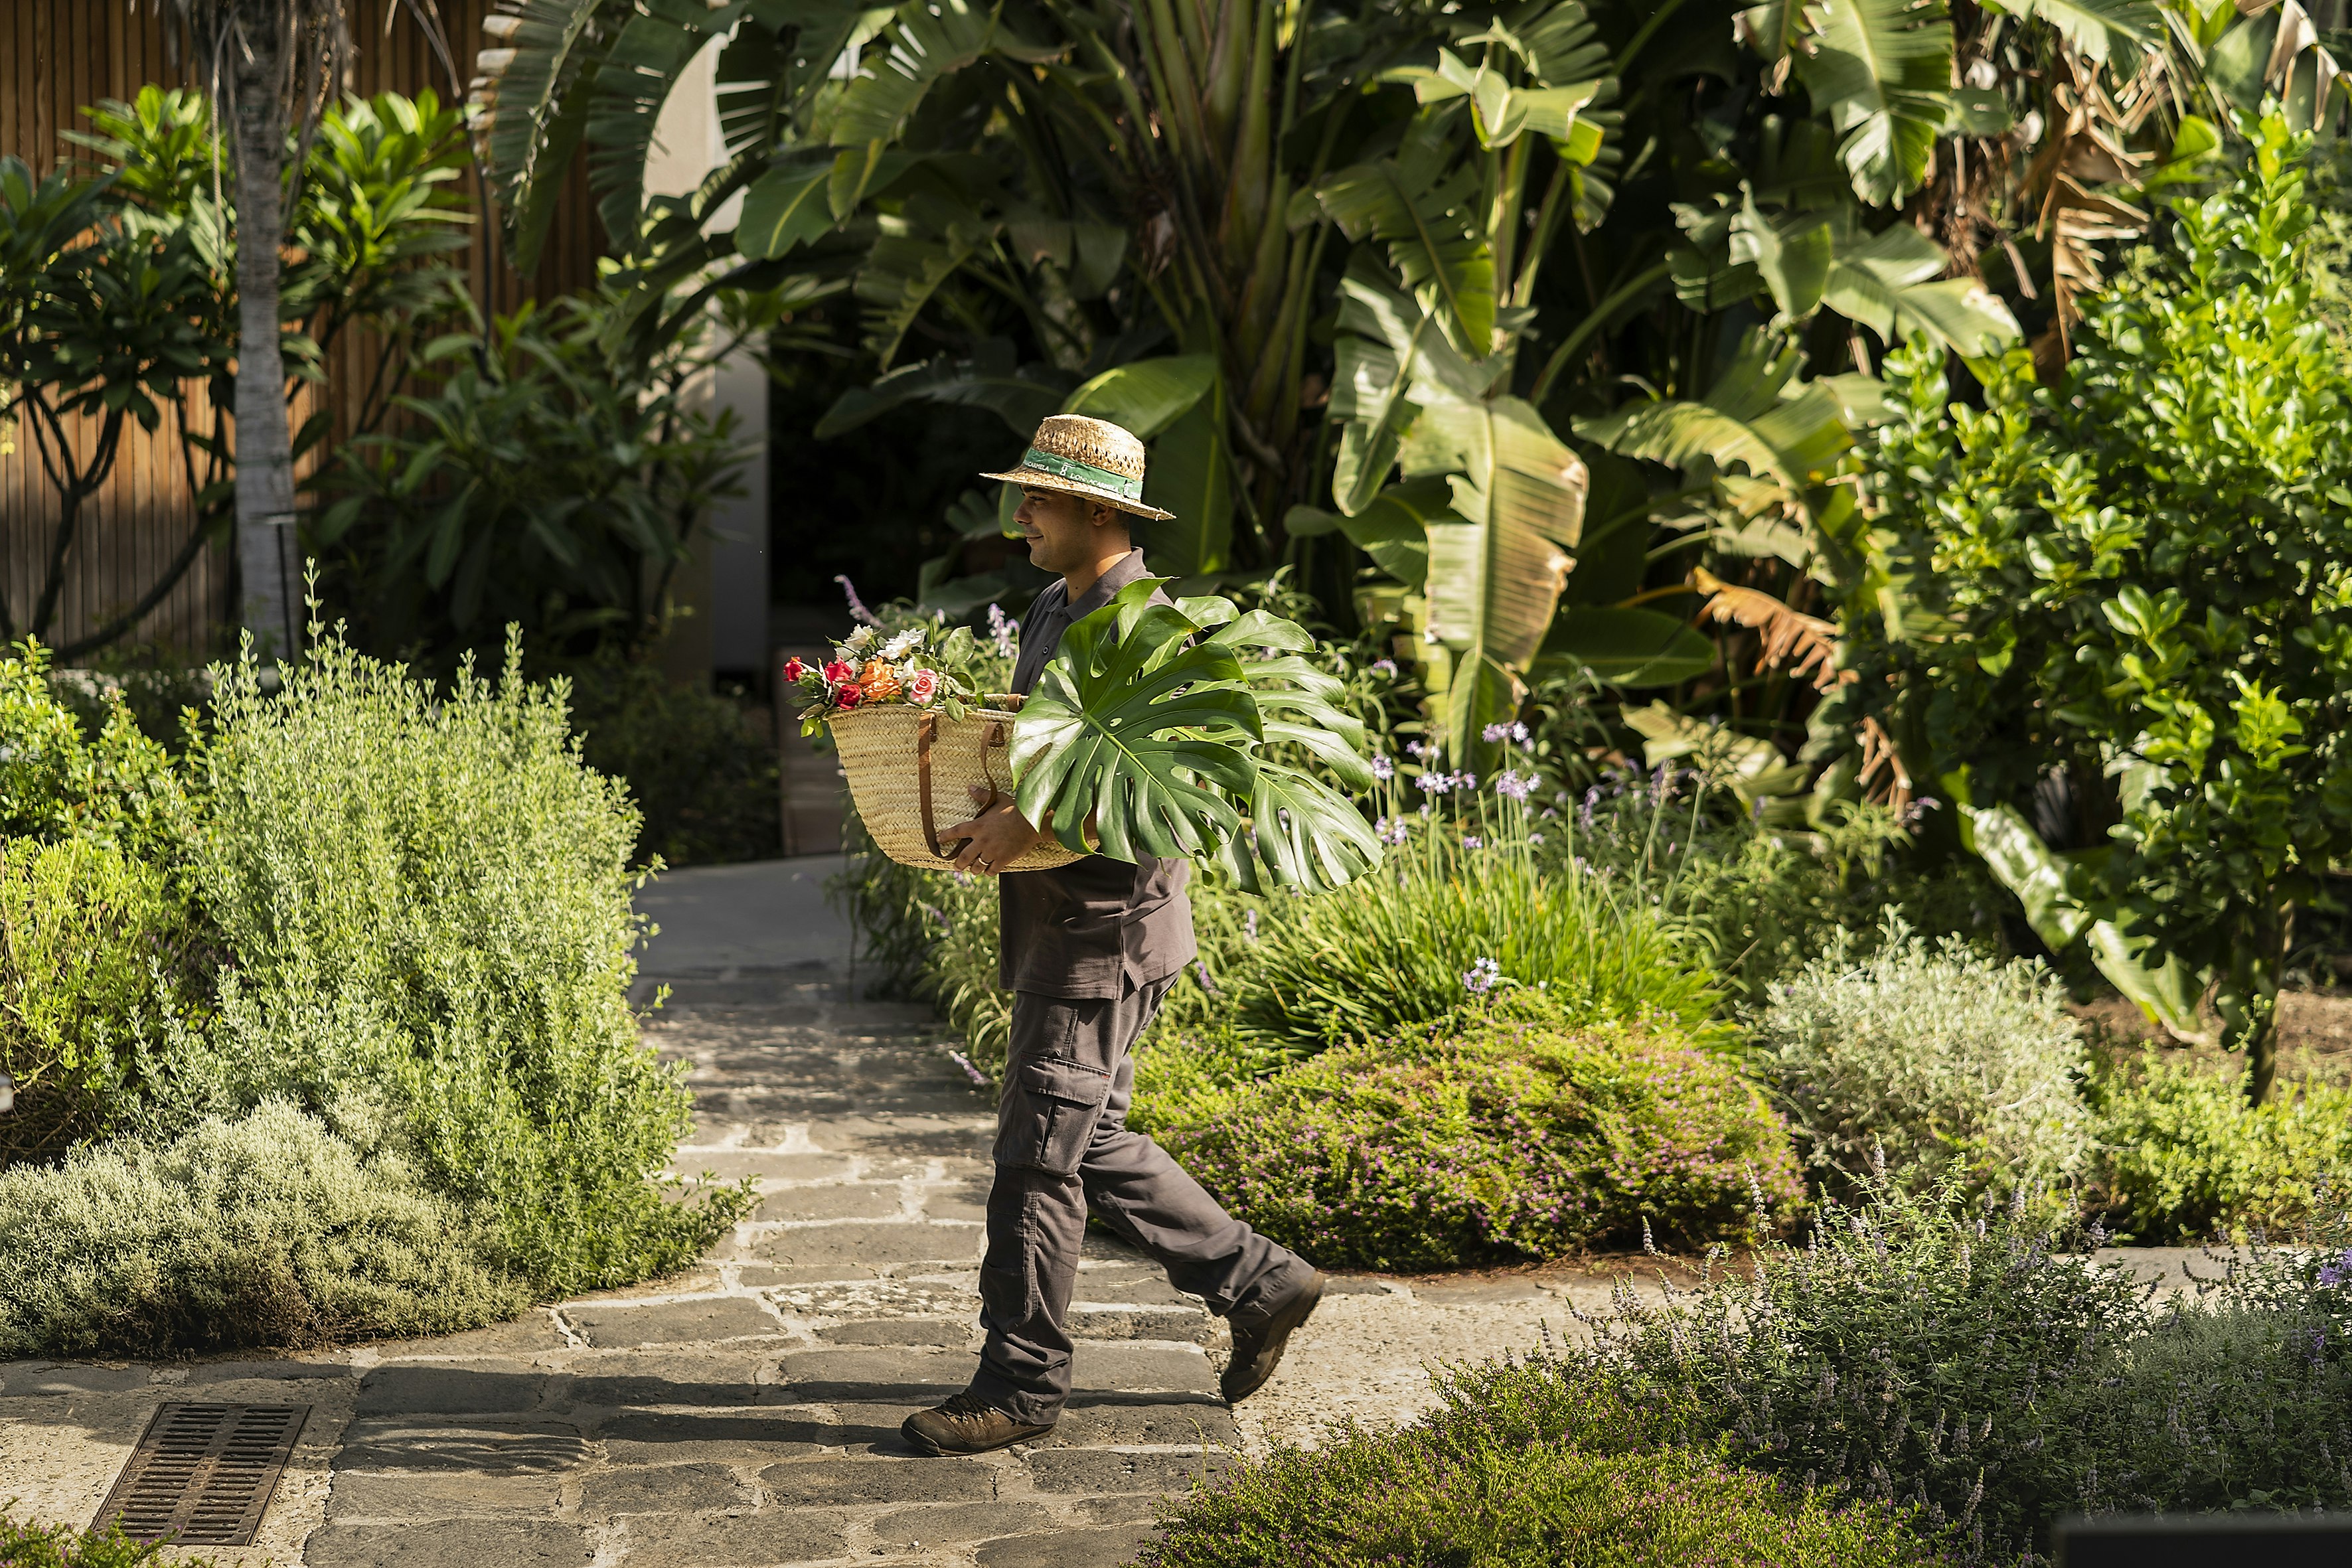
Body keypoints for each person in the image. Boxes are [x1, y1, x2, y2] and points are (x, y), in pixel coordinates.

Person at [900, 414, 1326, 1458]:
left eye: (1039, 497)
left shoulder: (1146, 628)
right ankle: (1262, 1280)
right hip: (1064, 922)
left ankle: (1020, 1384)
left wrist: (1028, 822)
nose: (1022, 513)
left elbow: (1162, 794)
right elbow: (1045, 742)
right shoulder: (1055, 603)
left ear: (1100, 512)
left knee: (1037, 1157)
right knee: (1088, 1138)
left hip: (1104, 933)